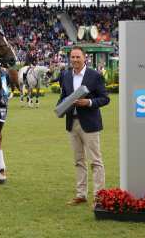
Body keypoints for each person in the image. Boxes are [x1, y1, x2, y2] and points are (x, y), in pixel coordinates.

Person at [57, 46, 110, 206]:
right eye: (72, 57)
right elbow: (63, 96)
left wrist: (88, 102)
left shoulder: (95, 76)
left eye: (77, 57)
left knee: (96, 161)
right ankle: (81, 194)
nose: (74, 60)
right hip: (72, 123)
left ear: (84, 58)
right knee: (79, 160)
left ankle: (99, 197)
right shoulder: (65, 75)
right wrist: (60, 106)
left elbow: (105, 98)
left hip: (90, 124)